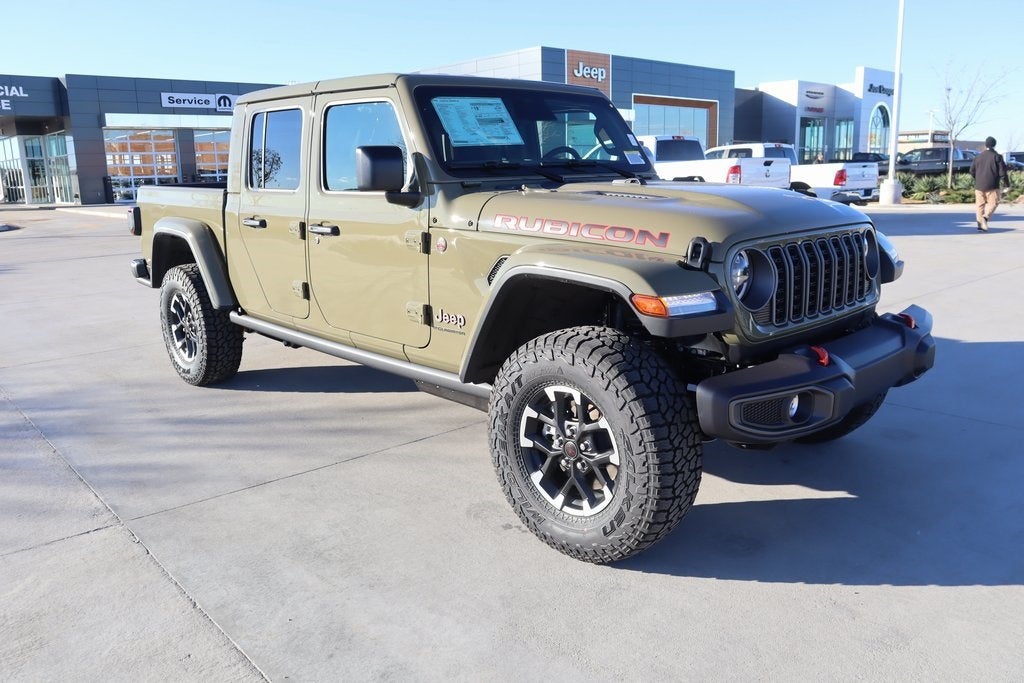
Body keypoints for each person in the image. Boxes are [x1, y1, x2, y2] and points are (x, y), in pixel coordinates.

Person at [969, 136, 1010, 232]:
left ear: (985, 145)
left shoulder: (977, 157)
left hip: (979, 185)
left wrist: (978, 178)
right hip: (992, 185)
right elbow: (1003, 172)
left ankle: (980, 225)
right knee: (994, 203)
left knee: (980, 205)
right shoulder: (997, 157)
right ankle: (985, 217)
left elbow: (971, 171)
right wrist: (1007, 185)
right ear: (994, 145)